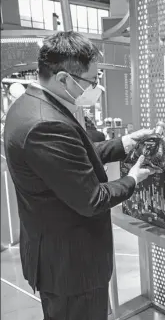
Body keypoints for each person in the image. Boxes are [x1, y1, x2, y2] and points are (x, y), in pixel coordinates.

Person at [3, 31, 155, 320]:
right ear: (63, 79)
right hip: (72, 267)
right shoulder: (45, 124)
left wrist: (125, 143)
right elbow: (92, 199)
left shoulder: (29, 106)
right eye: (91, 81)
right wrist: (133, 179)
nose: (95, 87)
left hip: (56, 256)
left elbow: (70, 160)